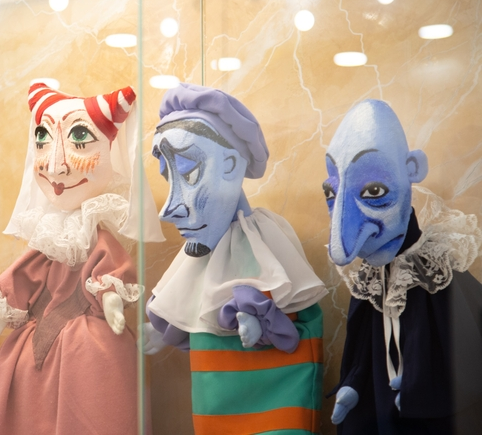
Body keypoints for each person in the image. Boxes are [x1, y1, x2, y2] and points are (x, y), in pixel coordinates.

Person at [0, 83, 164, 434]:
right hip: (35, 349)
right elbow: (26, 274)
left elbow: (110, 267)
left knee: (93, 409)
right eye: (43, 139)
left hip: (87, 349)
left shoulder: (95, 235)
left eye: (79, 140)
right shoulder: (48, 237)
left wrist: (110, 298)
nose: (57, 167)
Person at [145, 83, 328, 434]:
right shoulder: (201, 248)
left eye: (190, 172)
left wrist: (261, 321)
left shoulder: (263, 237)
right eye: (169, 178)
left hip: (276, 386)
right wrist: (163, 327)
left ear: (231, 166)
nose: (169, 209)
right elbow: (188, 297)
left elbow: (290, 302)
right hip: (215, 388)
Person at [324, 100, 482, 434]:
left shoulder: (436, 271)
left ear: (412, 169)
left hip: (432, 417)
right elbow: (363, 342)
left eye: (375, 190)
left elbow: (467, 353)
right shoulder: (370, 277)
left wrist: (422, 390)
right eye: (331, 192)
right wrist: (353, 383)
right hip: (382, 405)